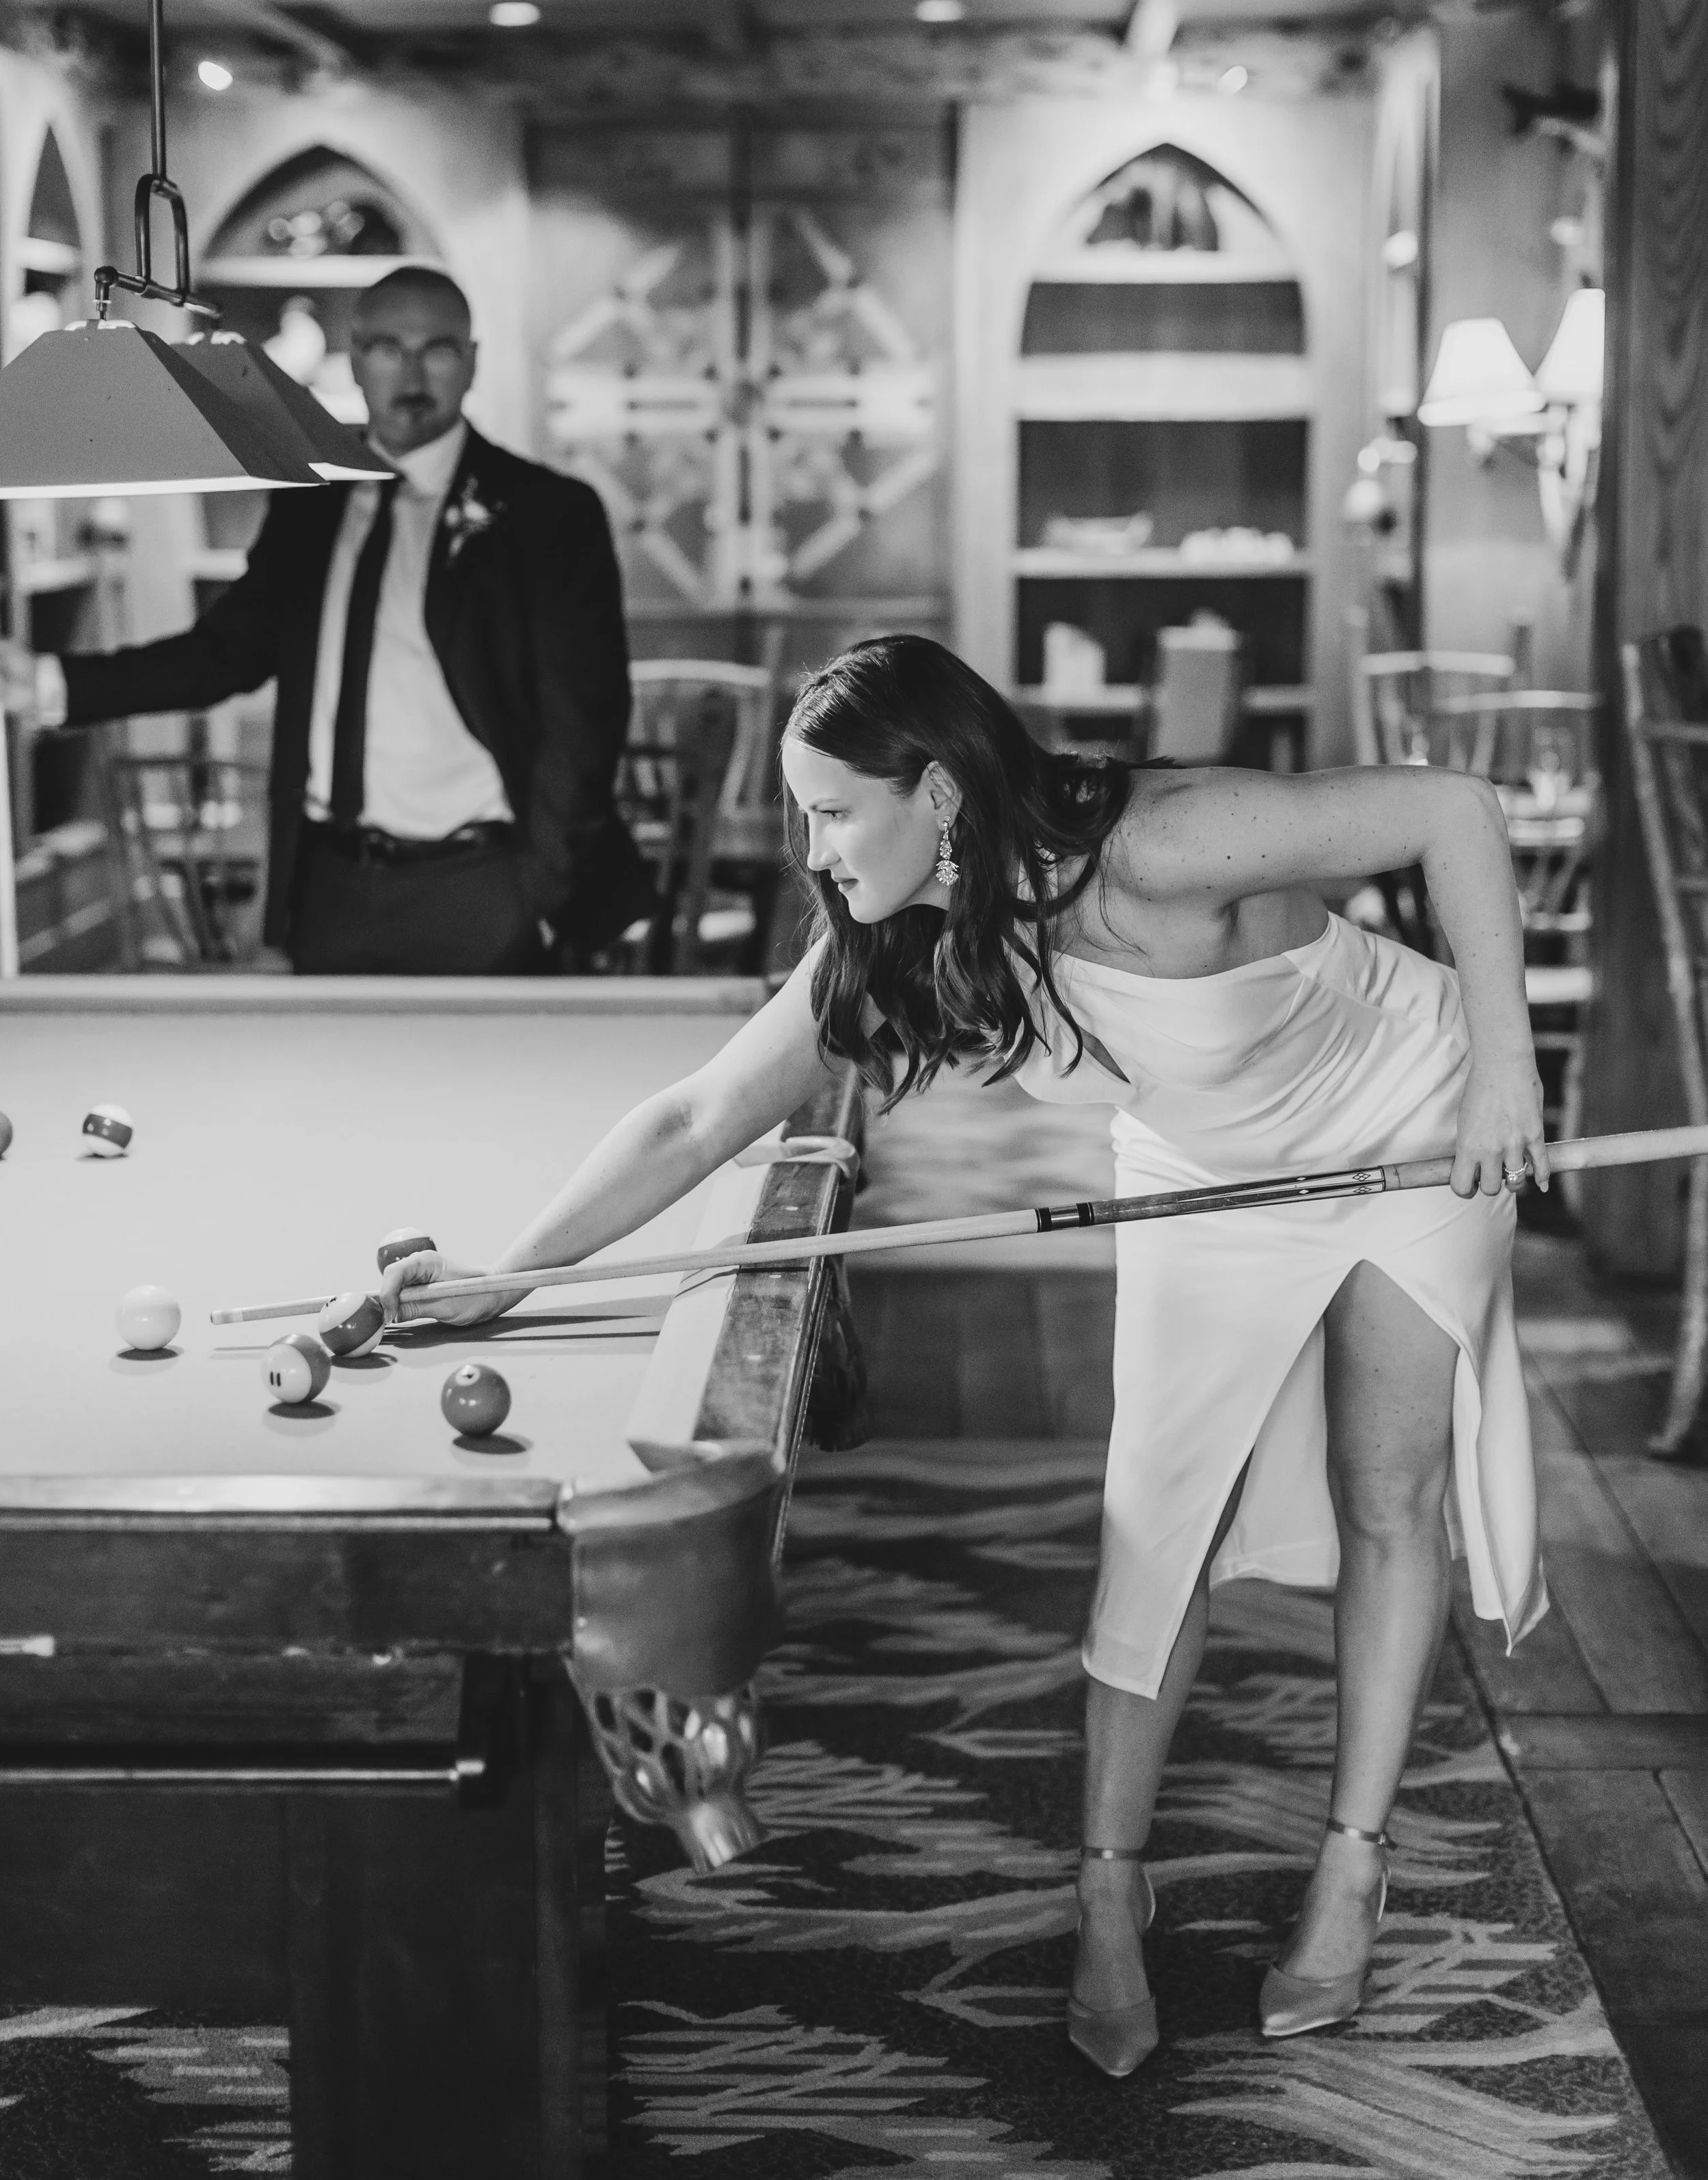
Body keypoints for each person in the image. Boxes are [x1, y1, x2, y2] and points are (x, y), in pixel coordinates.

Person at [383, 632, 1548, 2067]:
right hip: (1205, 1164)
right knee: (1156, 1519)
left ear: (934, 792)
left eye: (830, 812)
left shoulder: (1164, 842)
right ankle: (1107, 1891)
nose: (812, 850)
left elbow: (1453, 811)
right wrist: (503, 1279)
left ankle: (1351, 1874)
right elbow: (697, 1117)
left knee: (1389, 1493)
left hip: (1409, 1108)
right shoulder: (892, 941)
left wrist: (1505, 1069)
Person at [0, 265, 652, 973]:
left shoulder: (549, 512)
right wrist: (51, 682)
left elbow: (585, 723)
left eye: (436, 349)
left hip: (487, 885)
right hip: (330, 887)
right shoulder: (309, 501)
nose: (412, 374)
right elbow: (226, 653)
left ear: (471, 362)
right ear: (356, 357)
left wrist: (543, 893)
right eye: (388, 348)